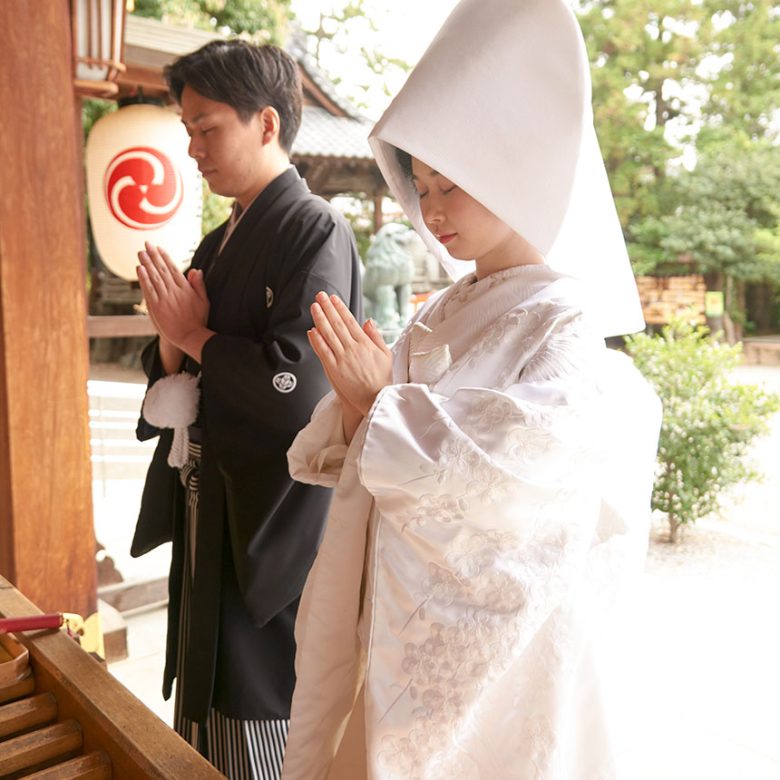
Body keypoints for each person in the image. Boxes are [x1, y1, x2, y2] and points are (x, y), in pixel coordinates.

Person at [280, 1, 662, 778]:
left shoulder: (563, 319)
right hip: (398, 624)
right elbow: (396, 427)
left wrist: (379, 408)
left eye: (451, 183)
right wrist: (367, 412)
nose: (432, 209)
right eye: (421, 185)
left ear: (513, 170)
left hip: (500, 659)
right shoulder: (446, 306)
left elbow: (523, 473)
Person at [131, 39, 363, 780]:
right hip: (212, 505)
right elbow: (179, 360)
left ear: (266, 123)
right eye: (187, 131)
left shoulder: (314, 230)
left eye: (208, 128)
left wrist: (193, 334)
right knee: (206, 679)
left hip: (267, 511)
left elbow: (303, 383)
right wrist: (173, 342)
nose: (194, 148)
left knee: (260, 694)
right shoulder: (219, 237)